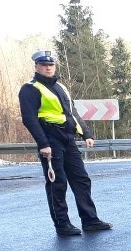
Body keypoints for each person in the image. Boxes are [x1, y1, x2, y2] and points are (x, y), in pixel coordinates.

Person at [18, 50, 112, 236]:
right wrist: (43, 144)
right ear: (36, 66)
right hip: (50, 138)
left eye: (51, 64)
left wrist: (86, 133)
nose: (48, 67)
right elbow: (29, 118)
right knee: (57, 183)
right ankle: (62, 224)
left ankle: (90, 220)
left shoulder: (60, 87)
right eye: (44, 65)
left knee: (81, 179)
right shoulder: (30, 89)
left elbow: (72, 112)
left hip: (68, 138)